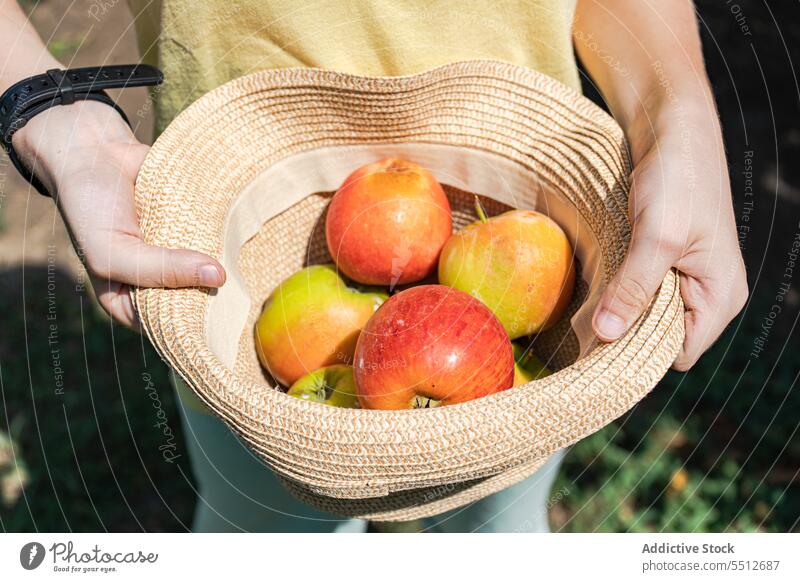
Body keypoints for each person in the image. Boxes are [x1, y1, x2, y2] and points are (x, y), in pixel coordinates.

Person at [1, 0, 747, 532]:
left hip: (517, 223)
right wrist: (49, 113)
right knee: (267, 532)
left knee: (497, 526)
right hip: (234, 249)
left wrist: (681, 112)